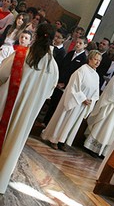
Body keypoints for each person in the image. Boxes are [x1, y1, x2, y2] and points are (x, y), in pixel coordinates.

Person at [0, 23, 59, 194]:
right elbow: (48, 94)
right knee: (14, 144)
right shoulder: (53, 68)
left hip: (7, 105)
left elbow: (2, 73)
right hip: (27, 114)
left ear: (35, 36)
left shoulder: (21, 54)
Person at [41, 50, 102, 150]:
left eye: (99, 60)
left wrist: (91, 100)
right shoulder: (82, 70)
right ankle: (54, 139)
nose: (97, 62)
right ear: (90, 59)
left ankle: (62, 141)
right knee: (64, 120)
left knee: (71, 124)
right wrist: (83, 98)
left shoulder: (96, 75)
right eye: (95, 59)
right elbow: (73, 87)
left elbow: (96, 92)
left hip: (83, 105)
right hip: (74, 102)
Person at [43, 36, 88, 125]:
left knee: (58, 106)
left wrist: (65, 83)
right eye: (77, 42)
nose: (77, 45)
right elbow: (62, 66)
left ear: (85, 45)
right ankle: (45, 122)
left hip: (68, 86)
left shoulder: (83, 59)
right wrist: (58, 80)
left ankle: (50, 124)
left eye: (80, 43)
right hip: (59, 82)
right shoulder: (70, 53)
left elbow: (77, 74)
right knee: (52, 103)